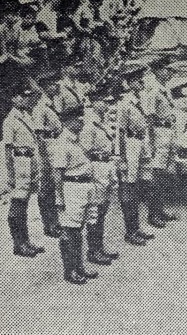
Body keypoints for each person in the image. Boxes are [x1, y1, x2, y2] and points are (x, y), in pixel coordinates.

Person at [52, 102, 100, 284]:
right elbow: (57, 173)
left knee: (78, 231)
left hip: (85, 188)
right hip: (71, 188)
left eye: (82, 118)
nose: (81, 122)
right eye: (77, 119)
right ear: (67, 121)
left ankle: (79, 267)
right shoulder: (62, 143)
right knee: (69, 231)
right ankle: (69, 271)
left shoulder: (77, 140)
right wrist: (59, 198)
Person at [3, 73, 46, 257]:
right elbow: (7, 150)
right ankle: (18, 243)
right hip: (19, 163)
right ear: (13, 99)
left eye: (26, 96)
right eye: (21, 96)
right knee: (18, 205)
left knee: (26, 203)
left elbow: (38, 92)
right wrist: (11, 175)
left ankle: (26, 241)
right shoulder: (9, 121)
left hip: (30, 161)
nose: (25, 99)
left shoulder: (26, 116)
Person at [114, 63, 157, 245]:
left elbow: (147, 122)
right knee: (128, 187)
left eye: (141, 79)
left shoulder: (142, 98)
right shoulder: (124, 104)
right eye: (137, 80)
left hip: (142, 142)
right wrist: (122, 157)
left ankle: (137, 227)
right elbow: (120, 132)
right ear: (129, 83)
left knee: (141, 183)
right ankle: (130, 231)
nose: (141, 82)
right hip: (130, 145)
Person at [78, 80, 119, 266]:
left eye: (108, 101)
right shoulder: (89, 125)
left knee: (102, 210)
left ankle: (99, 248)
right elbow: (84, 152)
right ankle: (93, 251)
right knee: (95, 212)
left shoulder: (102, 121)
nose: (106, 105)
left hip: (106, 166)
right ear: (94, 102)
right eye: (103, 101)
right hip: (96, 169)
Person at [140, 58, 178, 227]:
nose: (169, 72)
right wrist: (150, 143)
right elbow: (148, 117)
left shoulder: (164, 88)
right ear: (157, 71)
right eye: (166, 69)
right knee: (156, 175)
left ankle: (160, 210)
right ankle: (153, 215)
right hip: (159, 133)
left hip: (168, 132)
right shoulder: (153, 90)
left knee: (163, 175)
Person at [31, 66, 65, 238]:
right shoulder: (40, 107)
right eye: (53, 84)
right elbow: (38, 134)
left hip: (56, 145)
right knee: (46, 189)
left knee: (54, 187)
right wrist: (43, 159)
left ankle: (55, 221)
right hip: (46, 150)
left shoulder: (52, 103)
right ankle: (49, 224)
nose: (57, 86)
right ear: (45, 86)